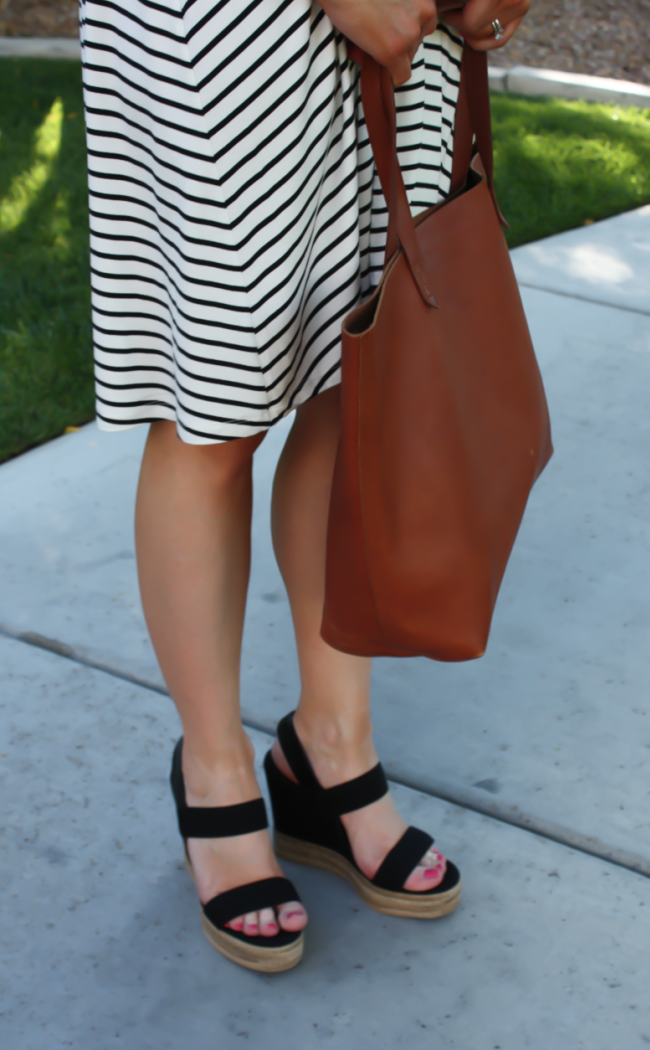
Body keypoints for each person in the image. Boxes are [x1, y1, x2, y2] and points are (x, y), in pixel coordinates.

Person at [80, 0, 531, 971]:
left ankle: (331, 746)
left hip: (419, 22)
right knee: (215, 410)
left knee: (365, 374)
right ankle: (213, 769)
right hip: (224, 25)